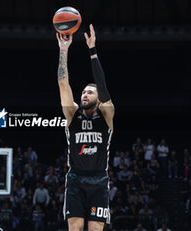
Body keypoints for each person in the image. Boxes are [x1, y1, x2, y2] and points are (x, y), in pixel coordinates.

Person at [57, 24, 115, 231]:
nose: (84, 94)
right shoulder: (72, 113)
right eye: (83, 92)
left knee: (95, 230)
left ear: (99, 99)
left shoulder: (106, 114)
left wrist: (92, 51)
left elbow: (103, 86)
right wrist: (63, 50)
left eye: (90, 92)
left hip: (99, 179)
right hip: (75, 178)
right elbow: (64, 85)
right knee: (75, 227)